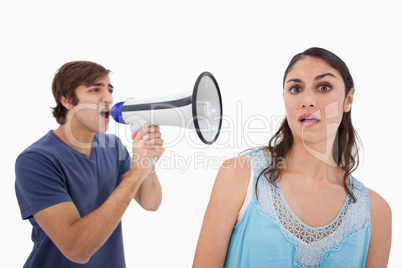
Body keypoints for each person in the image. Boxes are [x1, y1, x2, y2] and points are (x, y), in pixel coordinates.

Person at [193, 47, 392, 267]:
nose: (307, 100)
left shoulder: (375, 212)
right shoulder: (240, 175)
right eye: (295, 89)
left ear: (348, 99)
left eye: (324, 87)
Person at [15, 61, 165, 267]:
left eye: (110, 89)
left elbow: (151, 202)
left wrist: (148, 160)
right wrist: (137, 171)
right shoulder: (35, 160)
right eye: (95, 89)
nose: (109, 98)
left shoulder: (113, 146)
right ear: (67, 100)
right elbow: (77, 249)